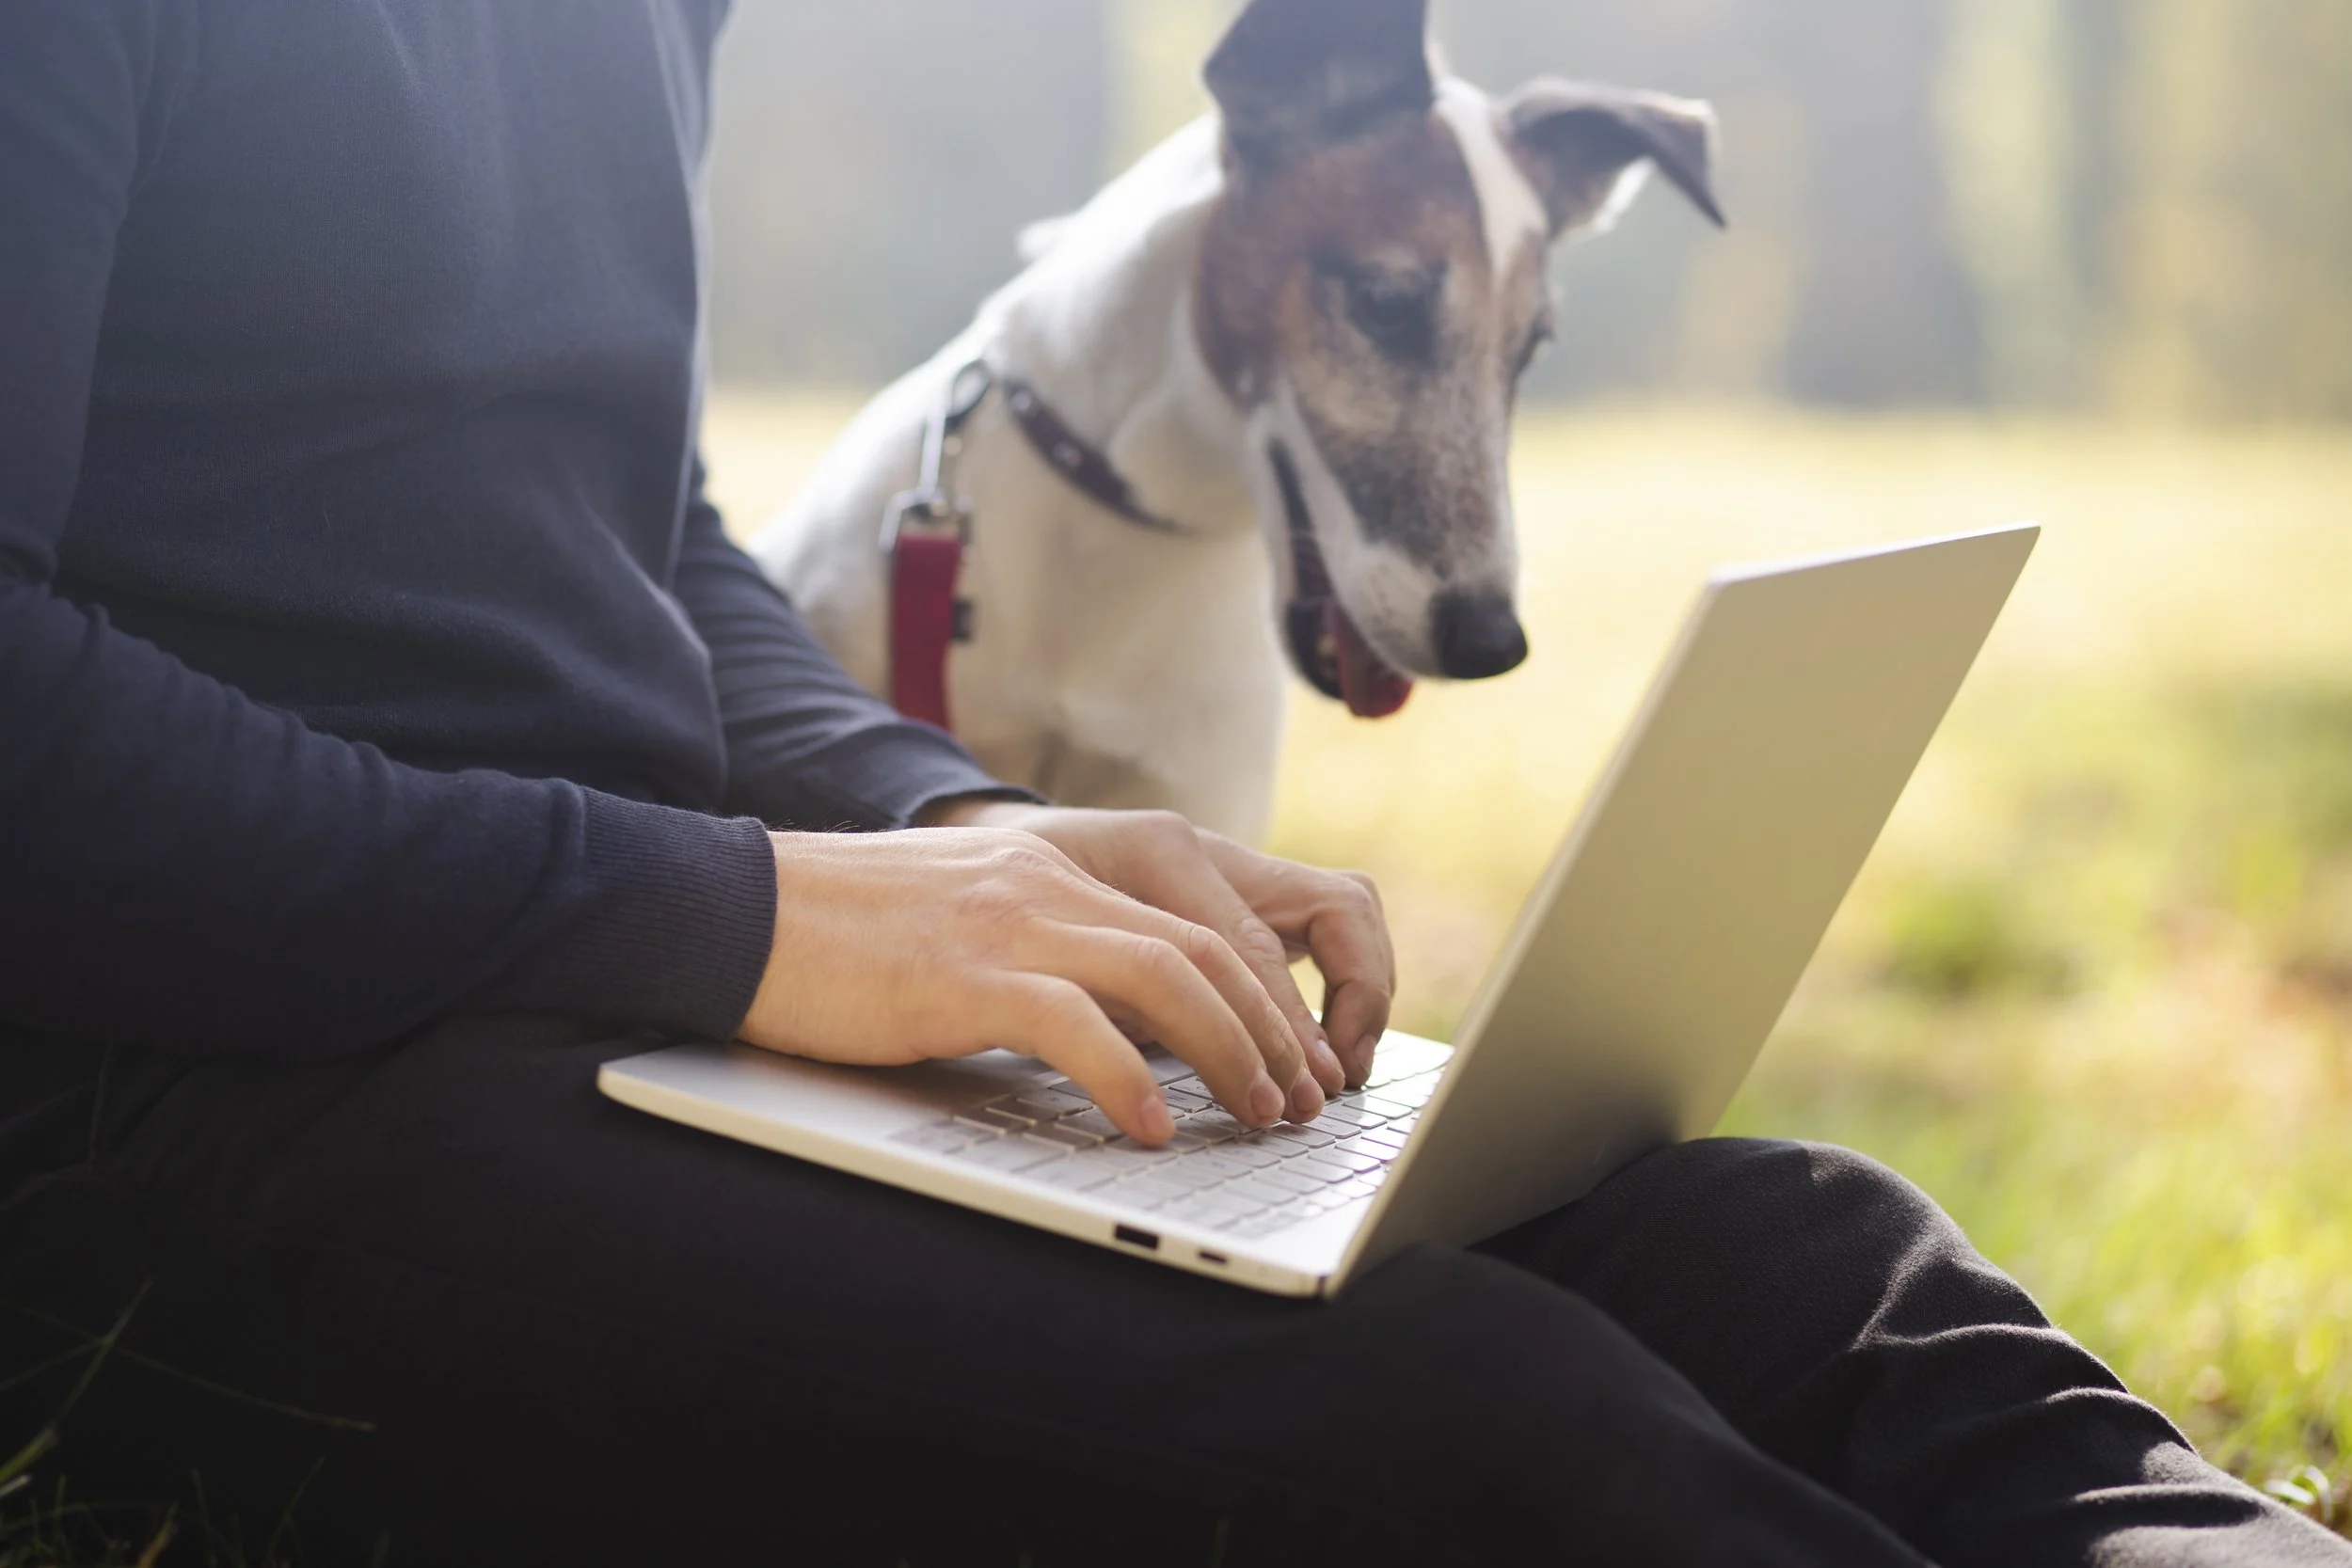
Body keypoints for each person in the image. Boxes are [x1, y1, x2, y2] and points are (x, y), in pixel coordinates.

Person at [0, 3, 2341, 1563]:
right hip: (222, 1078)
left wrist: (941, 828)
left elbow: (623, 531)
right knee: (1480, 1424)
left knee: (1784, 1241)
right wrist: (757, 920)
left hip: (641, 966)